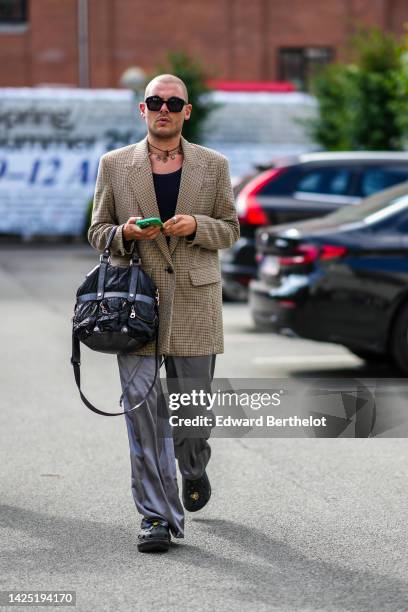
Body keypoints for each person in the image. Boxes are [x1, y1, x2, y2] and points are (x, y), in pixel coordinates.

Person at [88, 73, 240, 552]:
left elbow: (231, 229)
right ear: (143, 109)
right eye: (155, 101)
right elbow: (97, 231)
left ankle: (193, 466)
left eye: (173, 102)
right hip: (135, 307)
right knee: (144, 417)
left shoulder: (214, 166)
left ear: (186, 112)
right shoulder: (114, 165)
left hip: (195, 305)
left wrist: (197, 225)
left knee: (190, 416)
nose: (164, 109)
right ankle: (155, 516)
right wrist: (125, 234)